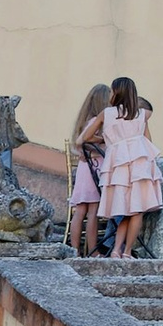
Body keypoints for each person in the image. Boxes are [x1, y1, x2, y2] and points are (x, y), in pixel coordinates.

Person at [97, 78, 163, 257]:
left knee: (126, 210)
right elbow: (149, 142)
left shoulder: (111, 118)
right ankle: (124, 250)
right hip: (132, 171)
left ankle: (117, 250)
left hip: (120, 172)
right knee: (135, 211)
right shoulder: (135, 119)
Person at [67, 81, 110, 257]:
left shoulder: (85, 121)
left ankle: (74, 249)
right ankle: (92, 250)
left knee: (81, 210)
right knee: (92, 211)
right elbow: (88, 149)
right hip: (93, 169)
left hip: (86, 169)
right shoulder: (96, 122)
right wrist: (103, 141)